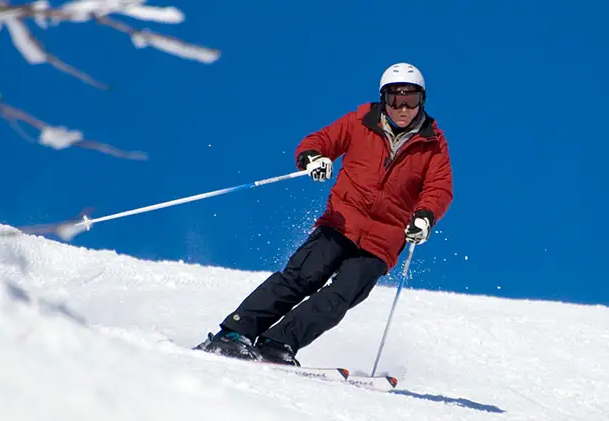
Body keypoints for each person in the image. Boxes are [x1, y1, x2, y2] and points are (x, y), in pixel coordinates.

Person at [194, 63, 454, 366]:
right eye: (395, 99)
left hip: (382, 241)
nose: (403, 108)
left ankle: (279, 343)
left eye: (411, 99)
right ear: (384, 99)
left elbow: (440, 187)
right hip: (341, 222)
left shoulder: (433, 143)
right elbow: (318, 142)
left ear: (422, 100)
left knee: (339, 298)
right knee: (302, 277)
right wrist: (313, 158)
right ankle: (235, 333)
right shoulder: (360, 121)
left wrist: (424, 216)